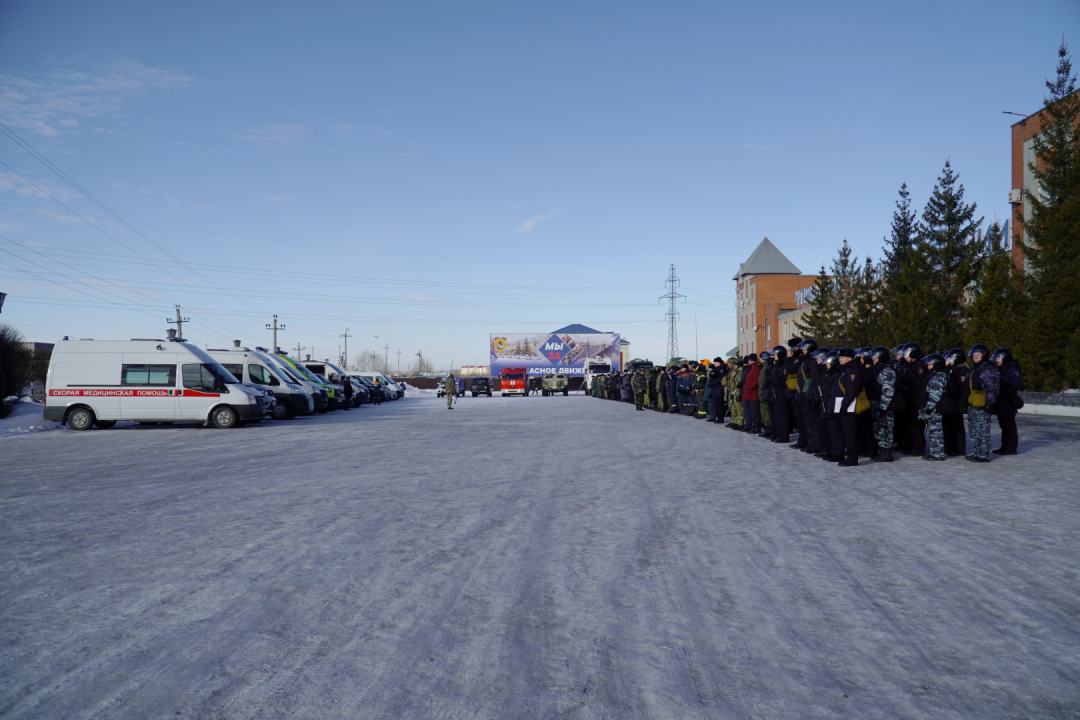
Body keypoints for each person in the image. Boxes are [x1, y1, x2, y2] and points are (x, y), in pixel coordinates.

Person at [965, 343, 999, 462]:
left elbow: (992, 388)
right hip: (973, 404)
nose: (975, 357)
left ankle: (983, 455)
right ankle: (977, 452)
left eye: (978, 355)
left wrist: (989, 402)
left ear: (984, 356)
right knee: (974, 431)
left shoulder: (988, 369)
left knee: (982, 431)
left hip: (982, 405)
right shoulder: (975, 369)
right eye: (974, 355)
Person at [835, 348, 866, 467]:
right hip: (846, 406)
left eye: (842, 358)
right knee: (847, 433)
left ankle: (852, 458)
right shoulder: (846, 370)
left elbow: (851, 390)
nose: (840, 360)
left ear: (849, 358)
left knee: (851, 434)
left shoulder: (852, 372)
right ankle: (850, 456)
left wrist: (844, 406)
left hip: (850, 407)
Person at [868, 346, 898, 462]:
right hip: (877, 404)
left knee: (885, 429)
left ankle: (887, 453)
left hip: (884, 405)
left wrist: (884, 406)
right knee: (879, 429)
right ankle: (882, 451)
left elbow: (888, 390)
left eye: (875, 357)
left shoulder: (887, 370)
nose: (873, 359)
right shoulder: (879, 368)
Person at [918, 354, 951, 461]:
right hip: (933, 408)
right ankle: (935, 451)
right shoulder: (935, 375)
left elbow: (935, 394)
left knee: (935, 431)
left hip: (935, 409)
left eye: (930, 365)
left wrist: (929, 407)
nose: (928, 367)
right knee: (933, 431)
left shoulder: (938, 377)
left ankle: (937, 453)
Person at [992, 347, 1023, 455]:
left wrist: (1002, 377)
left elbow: (1017, 383)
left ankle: (1011, 447)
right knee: (1003, 425)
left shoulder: (1012, 369)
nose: (996, 360)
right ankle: (1005, 446)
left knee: (1009, 426)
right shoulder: (1003, 368)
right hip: (1002, 401)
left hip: (1008, 401)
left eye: (998, 358)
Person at [942, 348, 969, 456]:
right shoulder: (951, 369)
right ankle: (949, 446)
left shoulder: (963, 371)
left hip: (957, 401)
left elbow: (962, 387)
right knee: (948, 425)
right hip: (951, 401)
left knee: (957, 425)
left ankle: (959, 448)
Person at [741, 354, 761, 433]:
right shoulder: (749, 368)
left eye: (750, 360)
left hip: (752, 393)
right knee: (747, 411)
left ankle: (756, 427)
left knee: (754, 412)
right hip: (747, 393)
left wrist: (748, 387)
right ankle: (748, 425)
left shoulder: (756, 368)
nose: (749, 362)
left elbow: (755, 380)